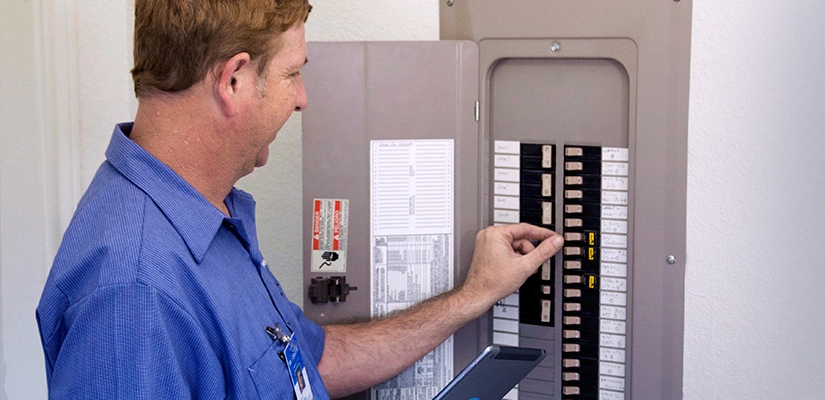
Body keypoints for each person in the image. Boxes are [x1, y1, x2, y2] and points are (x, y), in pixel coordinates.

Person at [35, 0, 565, 398]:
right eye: (293, 74)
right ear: (235, 80)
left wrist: (473, 295)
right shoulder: (133, 292)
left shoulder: (209, 219)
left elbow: (312, 361)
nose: (303, 99)